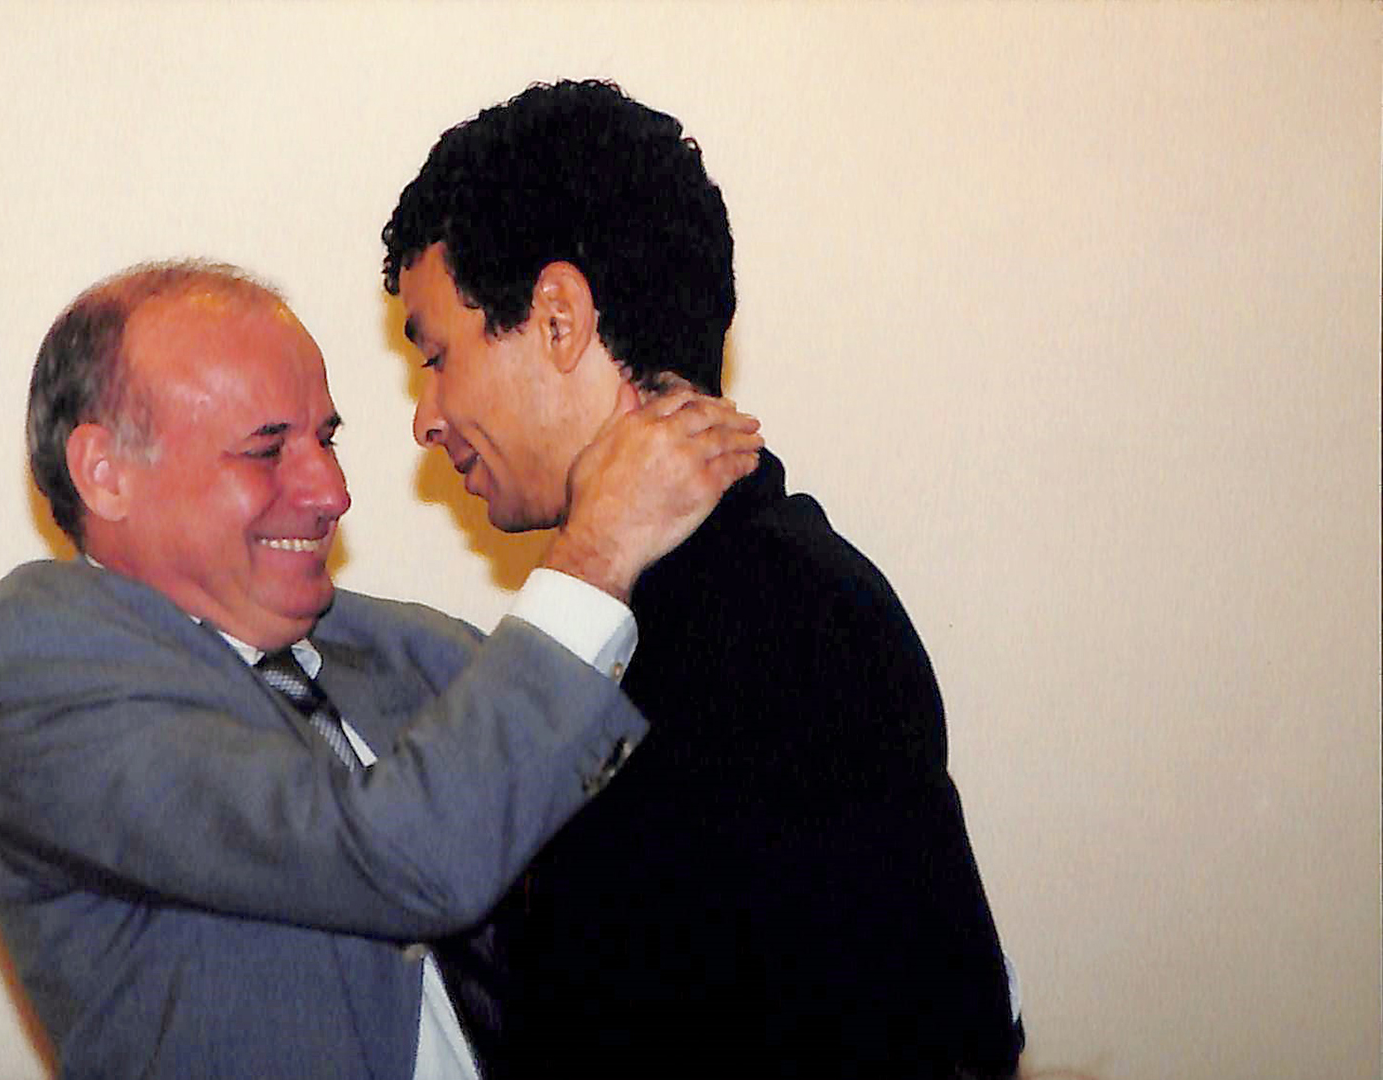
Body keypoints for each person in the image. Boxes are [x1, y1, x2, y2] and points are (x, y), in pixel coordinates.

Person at [0, 260, 762, 1079]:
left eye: (326, 441)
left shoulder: (403, 645)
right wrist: (594, 552)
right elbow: (407, 854)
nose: (332, 492)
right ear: (105, 472)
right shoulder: (37, 662)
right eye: (267, 450)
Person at [383, 79, 1023, 1079]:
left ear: (558, 319)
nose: (427, 417)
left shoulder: (756, 624)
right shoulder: (760, 588)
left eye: (437, 356)